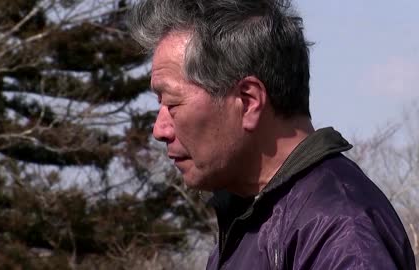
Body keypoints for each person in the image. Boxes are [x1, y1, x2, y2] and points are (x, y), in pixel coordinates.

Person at [128, 0, 416, 269]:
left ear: (249, 101)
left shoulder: (340, 231)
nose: (160, 130)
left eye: (172, 103)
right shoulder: (247, 221)